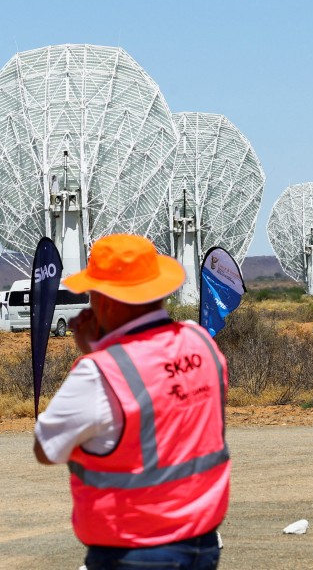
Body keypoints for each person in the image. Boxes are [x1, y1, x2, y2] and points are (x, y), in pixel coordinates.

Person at [34, 234, 230, 570]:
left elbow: (47, 449)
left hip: (134, 551)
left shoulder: (99, 373)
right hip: (203, 542)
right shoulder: (202, 344)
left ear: (106, 300)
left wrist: (98, 355)